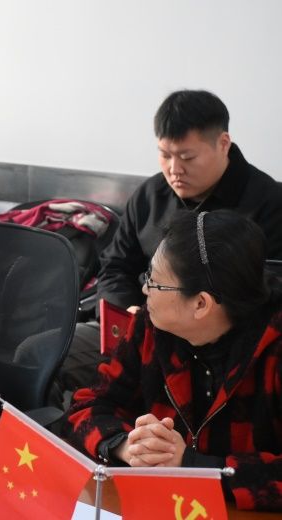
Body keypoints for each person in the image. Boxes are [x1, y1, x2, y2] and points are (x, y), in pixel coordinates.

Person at [56, 90, 282, 403]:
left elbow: (266, 295)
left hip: (219, 348)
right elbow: (116, 266)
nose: (174, 169)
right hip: (138, 330)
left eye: (187, 157)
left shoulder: (269, 204)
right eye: (165, 154)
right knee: (45, 355)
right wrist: (127, 308)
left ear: (223, 144)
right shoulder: (149, 196)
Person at [64, 210, 282, 512]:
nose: (144, 289)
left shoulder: (274, 348)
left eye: (154, 281)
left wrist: (192, 465)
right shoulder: (152, 326)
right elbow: (88, 404)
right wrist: (127, 445)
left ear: (201, 303)